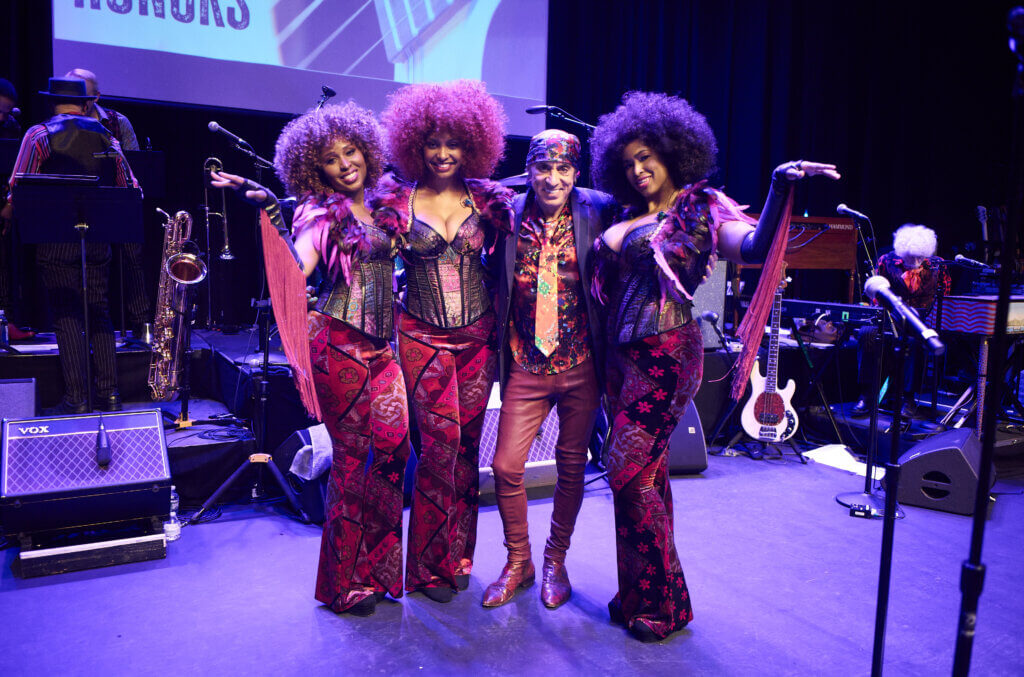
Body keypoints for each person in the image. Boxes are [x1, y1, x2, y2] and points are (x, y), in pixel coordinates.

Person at [590, 91, 839, 641]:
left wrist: (778, 186)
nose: (638, 169)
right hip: (617, 357)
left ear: (674, 151)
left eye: (647, 155)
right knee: (648, 475)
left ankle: (661, 601)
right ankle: (641, 593)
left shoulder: (697, 208)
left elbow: (751, 245)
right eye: (628, 161)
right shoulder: (627, 213)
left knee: (627, 473)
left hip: (665, 352)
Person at [211, 102, 411, 618]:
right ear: (312, 168)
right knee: (351, 462)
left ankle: (383, 570)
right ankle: (344, 582)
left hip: (384, 346)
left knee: (391, 451)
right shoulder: (319, 214)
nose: (345, 164)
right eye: (330, 158)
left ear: (368, 151)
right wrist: (272, 216)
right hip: (338, 340)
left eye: (351, 152)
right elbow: (298, 267)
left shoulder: (389, 206)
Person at [376, 80, 513, 603]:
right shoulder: (397, 201)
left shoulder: (489, 201)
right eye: (433, 141)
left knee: (468, 450)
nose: (442, 153)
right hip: (421, 335)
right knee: (439, 447)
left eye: (454, 142)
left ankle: (459, 554)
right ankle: (427, 568)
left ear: (474, 144)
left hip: (478, 337)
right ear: (414, 143)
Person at [482, 129, 618, 609]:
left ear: (576, 173)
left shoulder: (601, 208)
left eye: (563, 169)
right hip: (525, 361)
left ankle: (555, 559)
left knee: (572, 465)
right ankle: (518, 561)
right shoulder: (505, 212)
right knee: (504, 466)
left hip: (582, 362)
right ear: (529, 171)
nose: (552, 178)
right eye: (543, 167)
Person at [2, 77, 140, 413]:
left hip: (55, 239)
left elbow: (18, 187)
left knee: (66, 315)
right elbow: (131, 188)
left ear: (53, 104)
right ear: (85, 105)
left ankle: (77, 399)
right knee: (100, 314)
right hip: (97, 239)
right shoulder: (107, 136)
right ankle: (109, 395)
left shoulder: (39, 134)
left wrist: (8, 214)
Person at [65, 68, 149, 338]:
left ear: (96, 97)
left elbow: (136, 163)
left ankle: (141, 323)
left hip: (116, 201)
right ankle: (87, 326)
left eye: (83, 95)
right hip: (81, 204)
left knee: (131, 257)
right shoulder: (61, 123)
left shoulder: (117, 122)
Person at [851, 223, 949, 419]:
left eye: (920, 257)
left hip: (922, 320)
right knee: (866, 333)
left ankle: (908, 398)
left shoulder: (938, 266)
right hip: (891, 316)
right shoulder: (886, 261)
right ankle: (867, 394)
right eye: (910, 257)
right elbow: (877, 296)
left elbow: (945, 297)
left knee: (913, 342)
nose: (915, 260)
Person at [0, 76, 34, 341]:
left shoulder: (11, 127)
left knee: (4, 265)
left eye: (7, 112)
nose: (3, 117)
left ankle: (4, 321)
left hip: (3, 204)